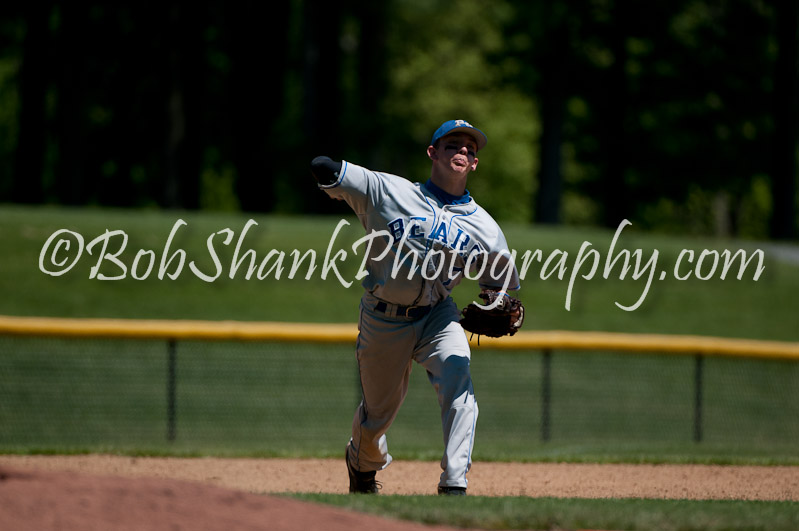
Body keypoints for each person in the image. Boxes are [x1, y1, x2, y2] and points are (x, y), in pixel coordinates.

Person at [310, 119, 521, 496]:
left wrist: (501, 307)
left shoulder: (486, 228)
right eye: (453, 144)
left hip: (437, 314)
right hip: (382, 319)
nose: (463, 151)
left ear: (474, 165)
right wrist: (334, 175)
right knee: (377, 417)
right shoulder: (388, 190)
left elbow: (499, 288)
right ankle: (362, 463)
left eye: (470, 150)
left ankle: (454, 485)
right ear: (433, 152)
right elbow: (326, 168)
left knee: (458, 372)